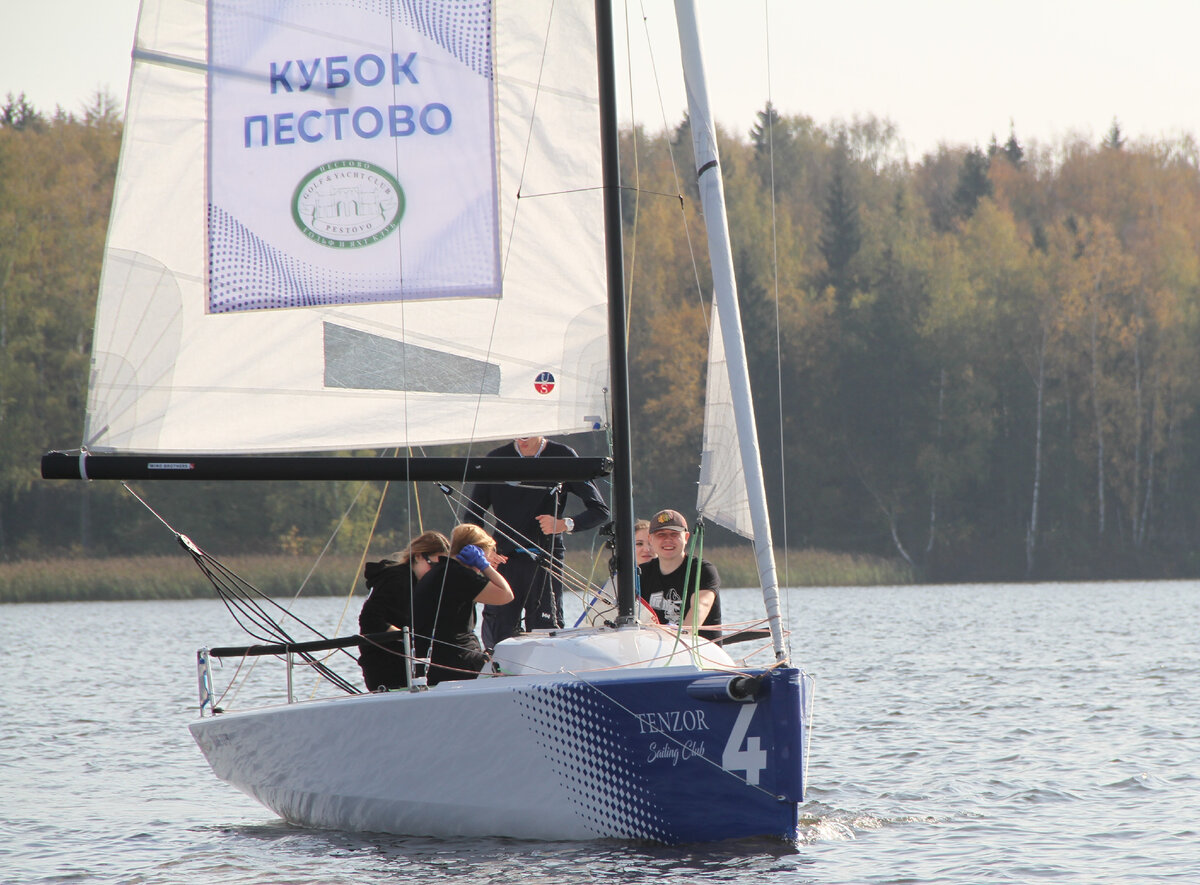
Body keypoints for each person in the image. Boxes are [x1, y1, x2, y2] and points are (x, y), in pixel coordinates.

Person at [464, 435, 610, 649]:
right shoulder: (496, 458)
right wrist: (485, 551)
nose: (522, 439)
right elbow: (472, 516)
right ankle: (498, 675)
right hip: (504, 560)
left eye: (528, 434)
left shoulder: (562, 456)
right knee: (497, 633)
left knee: (546, 631)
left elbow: (600, 511)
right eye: (518, 434)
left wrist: (564, 524)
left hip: (545, 558)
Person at [412, 524, 513, 686]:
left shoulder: (437, 572)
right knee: (512, 669)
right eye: (486, 556)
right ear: (476, 553)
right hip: (458, 664)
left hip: (436, 664)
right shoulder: (459, 576)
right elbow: (506, 595)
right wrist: (485, 567)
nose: (487, 561)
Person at [357, 530, 450, 691]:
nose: (437, 572)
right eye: (434, 565)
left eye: (442, 567)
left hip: (405, 661)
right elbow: (369, 618)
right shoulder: (397, 578)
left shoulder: (420, 582)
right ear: (419, 556)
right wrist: (404, 638)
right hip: (385, 663)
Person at [639, 509, 723, 641]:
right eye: (661, 535)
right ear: (650, 539)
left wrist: (680, 638)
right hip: (655, 652)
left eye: (674, 534)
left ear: (686, 537)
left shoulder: (703, 570)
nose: (668, 540)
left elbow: (701, 606)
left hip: (696, 654)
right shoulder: (640, 573)